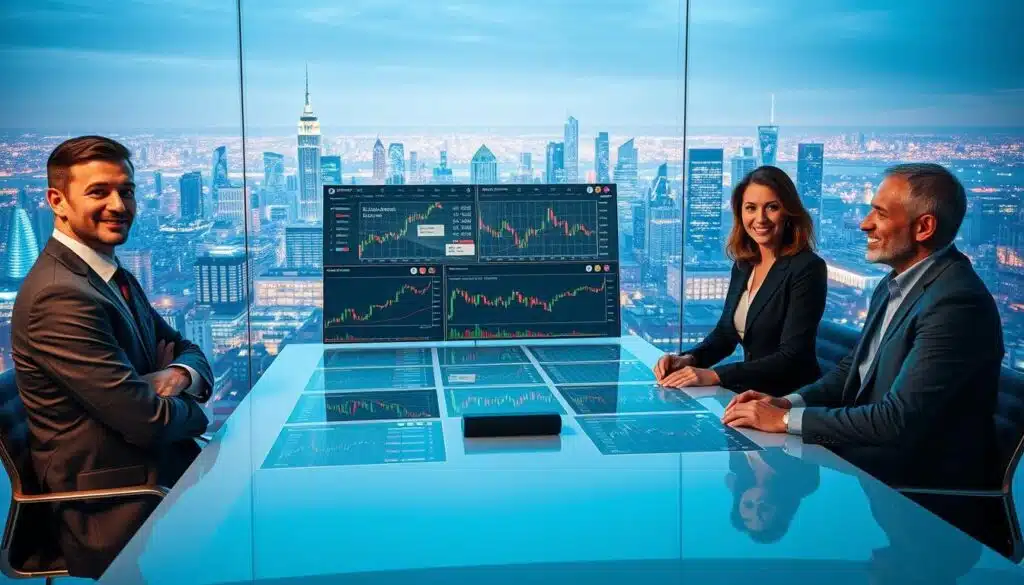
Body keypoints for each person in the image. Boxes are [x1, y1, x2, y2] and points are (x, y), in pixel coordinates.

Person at [722, 163, 1003, 492]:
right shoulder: (894, 285)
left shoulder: (955, 305)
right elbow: (852, 373)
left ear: (923, 227)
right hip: (867, 471)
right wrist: (788, 403)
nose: (864, 223)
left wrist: (783, 422)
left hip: (918, 498)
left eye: (880, 213)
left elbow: (896, 421)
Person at [11, 136, 212, 578]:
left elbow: (188, 351)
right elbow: (146, 421)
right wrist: (194, 412)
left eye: (127, 190)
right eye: (98, 192)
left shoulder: (109, 273)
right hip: (113, 502)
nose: (119, 205)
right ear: (57, 202)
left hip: (152, 471)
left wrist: (174, 374)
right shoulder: (60, 296)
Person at [654, 165, 827, 396]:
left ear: (788, 213)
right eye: (751, 208)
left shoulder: (807, 268)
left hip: (791, 399)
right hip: (750, 395)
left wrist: (715, 375)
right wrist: (689, 359)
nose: (760, 218)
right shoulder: (744, 265)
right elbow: (725, 334)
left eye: (772, 207)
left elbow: (792, 356)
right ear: (740, 213)